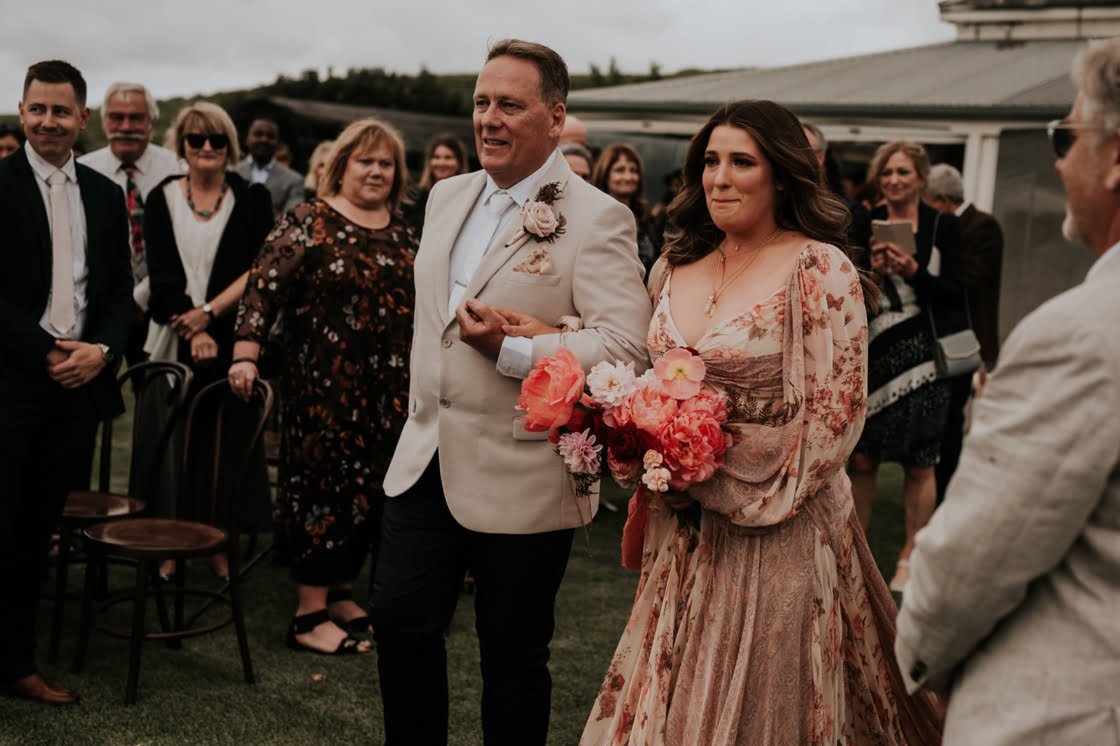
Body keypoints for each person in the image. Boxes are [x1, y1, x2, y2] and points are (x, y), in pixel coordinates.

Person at [580, 99, 941, 746]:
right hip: (681, 533)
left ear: (782, 175)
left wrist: (715, 484)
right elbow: (643, 380)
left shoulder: (819, 268)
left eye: (741, 162)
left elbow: (834, 417)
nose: (720, 178)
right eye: (710, 161)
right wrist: (650, 453)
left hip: (780, 525)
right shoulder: (671, 266)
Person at [372, 39, 651, 745]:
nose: (488, 119)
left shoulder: (598, 217)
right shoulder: (446, 195)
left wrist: (516, 350)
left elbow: (627, 348)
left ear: (555, 117)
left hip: (522, 469)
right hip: (425, 456)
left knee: (513, 657)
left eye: (509, 105)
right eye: (480, 102)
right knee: (400, 625)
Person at [895, 38, 1120, 745]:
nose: (1058, 161)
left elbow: (977, 555)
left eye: (1066, 136)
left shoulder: (1082, 335)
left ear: (1116, 158)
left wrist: (918, 659)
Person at [229, 118, 418, 656]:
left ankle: (340, 594)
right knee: (322, 494)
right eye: (366, 161)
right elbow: (262, 288)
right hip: (323, 391)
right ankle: (307, 616)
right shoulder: (308, 220)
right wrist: (245, 354)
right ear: (341, 166)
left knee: (374, 494)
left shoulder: (405, 231)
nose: (376, 171)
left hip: (390, 394)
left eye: (386, 163)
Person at [0, 59, 132, 705]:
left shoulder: (106, 195)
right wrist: (47, 351)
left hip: (77, 390)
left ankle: (16, 664)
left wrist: (101, 351)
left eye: (61, 110)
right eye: (37, 109)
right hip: (10, 384)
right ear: (21, 112)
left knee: (35, 534)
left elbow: (119, 295)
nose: (48, 121)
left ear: (83, 118)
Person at [144, 101, 274, 576]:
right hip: (174, 334)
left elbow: (258, 269)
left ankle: (219, 542)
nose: (206, 147)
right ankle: (171, 544)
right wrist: (189, 323)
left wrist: (208, 316)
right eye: (195, 138)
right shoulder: (161, 197)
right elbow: (161, 273)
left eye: (216, 139)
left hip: (231, 335)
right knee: (172, 445)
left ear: (229, 145)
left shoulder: (252, 198)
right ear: (181, 144)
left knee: (224, 445)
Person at [847, 140, 966, 592]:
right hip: (873, 353)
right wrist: (875, 272)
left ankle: (911, 554)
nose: (894, 180)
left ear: (920, 178)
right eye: (887, 173)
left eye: (902, 172)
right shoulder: (864, 221)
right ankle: (855, 557)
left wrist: (915, 271)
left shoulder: (942, 225)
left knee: (921, 461)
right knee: (862, 459)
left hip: (925, 356)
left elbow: (957, 290)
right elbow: (848, 289)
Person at [79, 82, 181, 370]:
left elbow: (182, 242)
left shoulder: (177, 169)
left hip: (160, 306)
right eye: (117, 117)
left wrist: (140, 296)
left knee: (159, 390)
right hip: (99, 307)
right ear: (103, 122)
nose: (126, 127)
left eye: (136, 118)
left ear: (152, 123)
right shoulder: (82, 171)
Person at [924, 163, 1004, 500]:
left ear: (942, 200)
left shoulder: (982, 226)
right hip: (940, 333)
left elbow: (971, 282)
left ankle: (947, 493)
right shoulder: (944, 225)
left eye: (928, 202)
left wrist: (925, 275)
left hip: (965, 336)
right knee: (939, 418)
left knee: (951, 420)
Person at [591, 142, 660, 274]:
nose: (628, 177)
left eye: (633, 170)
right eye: (620, 170)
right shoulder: (594, 216)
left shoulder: (645, 217)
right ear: (605, 175)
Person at [235, 117, 304, 217]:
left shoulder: (294, 180)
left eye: (270, 136)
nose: (264, 140)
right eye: (258, 134)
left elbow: (291, 219)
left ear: (278, 143)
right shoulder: (230, 172)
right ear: (247, 139)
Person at [403, 133, 468, 232]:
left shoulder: (468, 198)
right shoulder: (415, 196)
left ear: (459, 163)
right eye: (436, 157)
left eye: (448, 157)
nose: (441, 162)